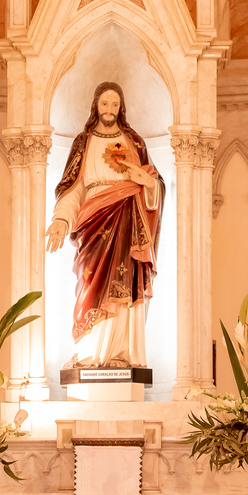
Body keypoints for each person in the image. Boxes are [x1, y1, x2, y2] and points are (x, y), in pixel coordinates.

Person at [46, 81, 164, 368]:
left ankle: (120, 353)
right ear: (95, 106)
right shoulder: (83, 142)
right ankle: (89, 352)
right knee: (90, 282)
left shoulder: (134, 141)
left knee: (124, 286)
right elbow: (73, 188)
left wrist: (147, 183)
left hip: (126, 217)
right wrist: (61, 218)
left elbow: (154, 185)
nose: (109, 109)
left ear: (121, 107)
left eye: (114, 104)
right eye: (104, 103)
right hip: (94, 224)